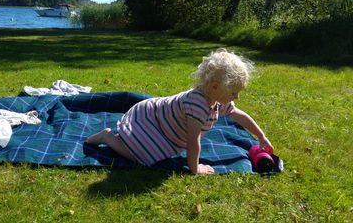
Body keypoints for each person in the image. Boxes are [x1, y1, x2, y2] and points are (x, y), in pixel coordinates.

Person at [86, 49, 274, 175]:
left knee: (159, 153)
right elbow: (193, 141)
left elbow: (240, 115)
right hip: (150, 121)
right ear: (215, 86)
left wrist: (261, 137)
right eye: (234, 92)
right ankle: (109, 138)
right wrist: (195, 168)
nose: (237, 97)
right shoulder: (198, 104)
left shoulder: (216, 99)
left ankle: (119, 139)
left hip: (163, 127)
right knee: (143, 157)